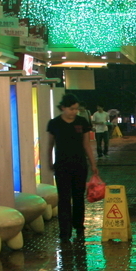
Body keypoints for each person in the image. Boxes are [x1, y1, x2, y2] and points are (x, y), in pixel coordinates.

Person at [46, 92, 98, 242]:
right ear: (63, 108)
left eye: (76, 109)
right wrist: (49, 162)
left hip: (79, 164)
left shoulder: (82, 122)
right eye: (71, 109)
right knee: (63, 199)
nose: (74, 112)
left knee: (78, 197)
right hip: (62, 166)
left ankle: (79, 227)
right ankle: (64, 231)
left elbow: (86, 144)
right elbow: (50, 145)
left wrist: (93, 164)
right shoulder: (54, 123)